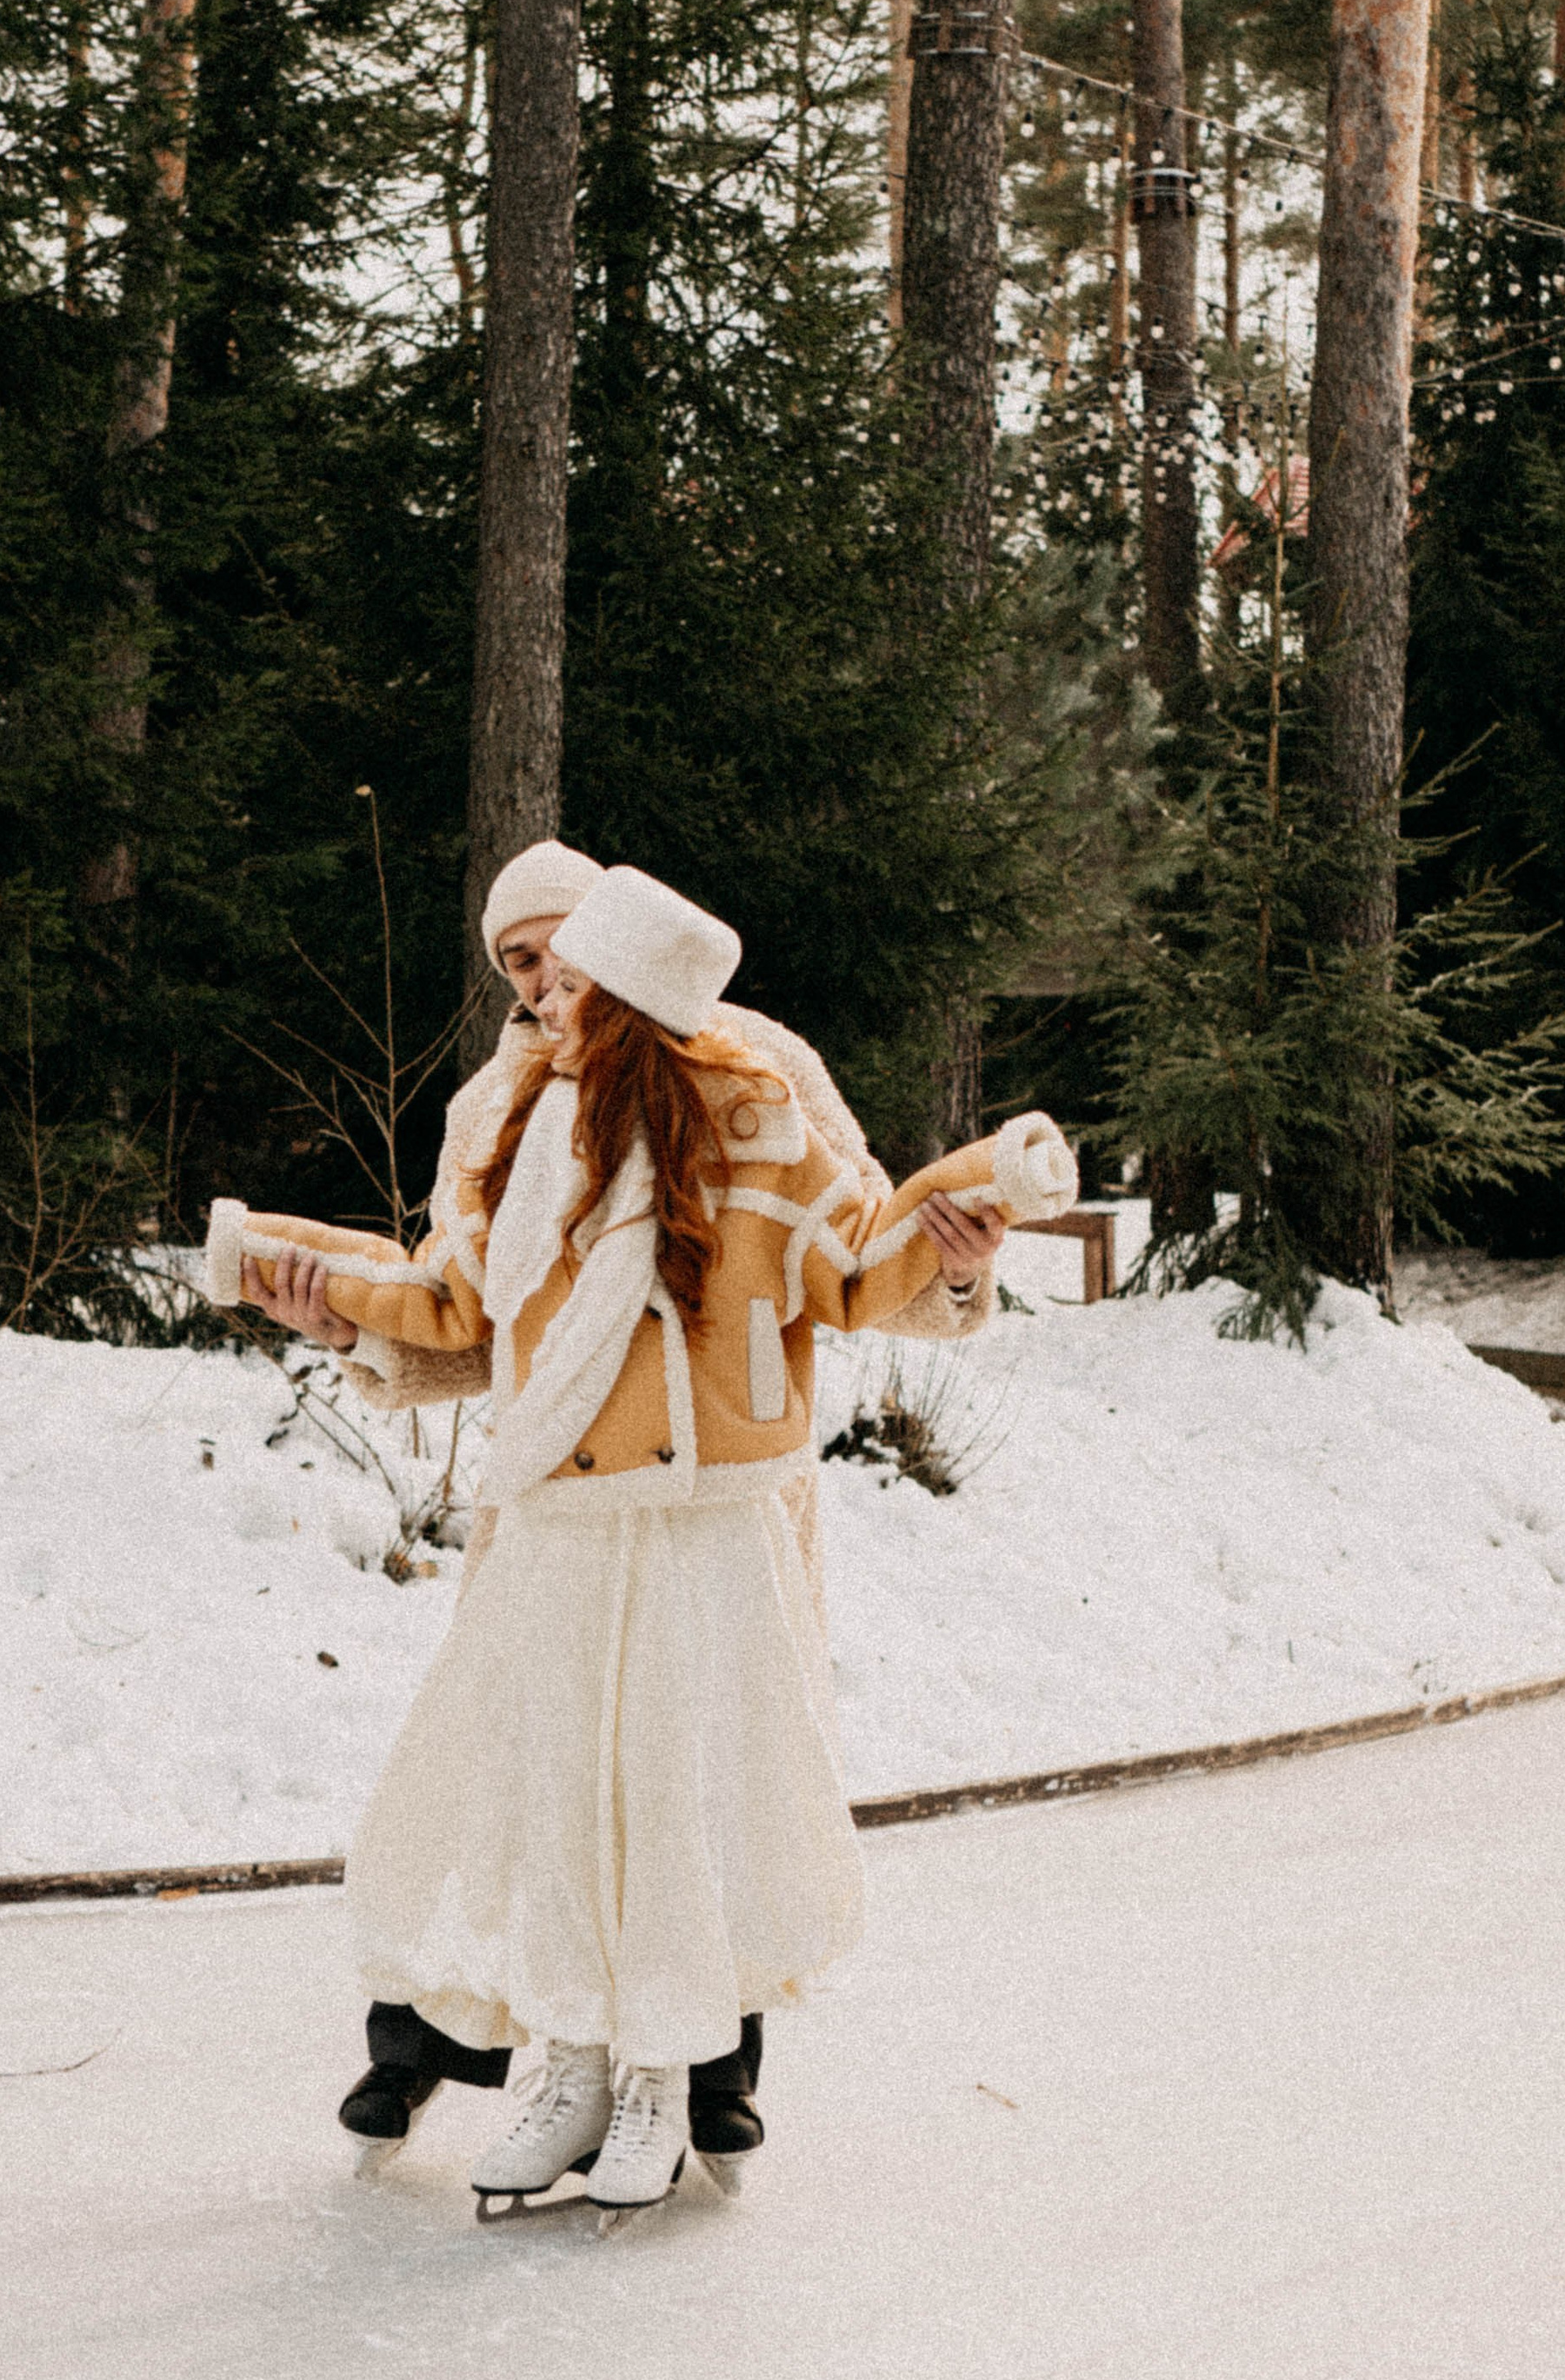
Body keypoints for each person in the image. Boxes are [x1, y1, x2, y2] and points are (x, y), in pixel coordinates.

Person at [211, 863, 1075, 2222]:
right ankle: (501, 2057)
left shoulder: (754, 1068)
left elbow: (854, 1256)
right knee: (549, 1781)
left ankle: (696, 2076)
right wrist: (343, 1320)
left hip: (716, 1496)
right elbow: (474, 1316)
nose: (539, 979)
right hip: (556, 1498)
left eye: (556, 948)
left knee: (693, 1777)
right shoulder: (497, 1110)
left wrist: (961, 1246)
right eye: (515, 962)